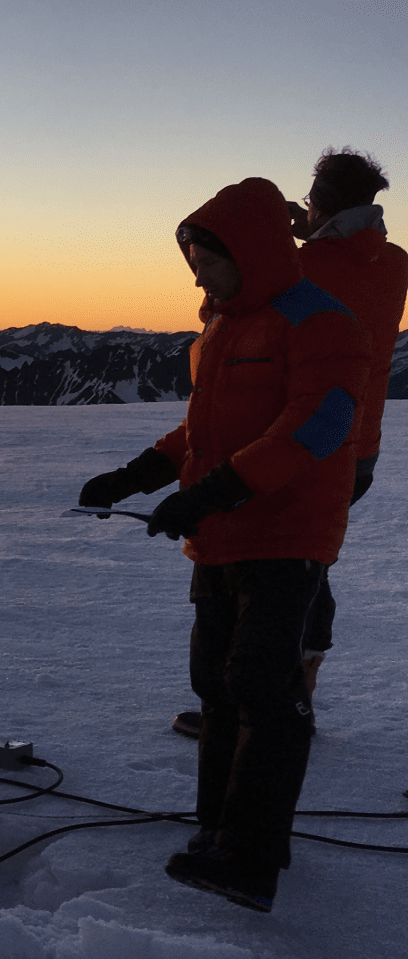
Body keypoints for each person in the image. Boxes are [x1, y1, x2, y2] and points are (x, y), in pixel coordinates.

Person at [78, 178, 370, 912]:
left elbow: (319, 427)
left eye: (206, 258)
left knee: (264, 690)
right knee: (216, 681)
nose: (196, 274)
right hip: (221, 538)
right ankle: (220, 829)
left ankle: (251, 855)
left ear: (251, 252)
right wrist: (137, 474)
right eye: (192, 259)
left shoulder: (319, 323)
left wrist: (216, 490)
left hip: (285, 533)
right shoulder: (221, 328)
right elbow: (201, 432)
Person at [172, 150, 407, 739]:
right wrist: (310, 232)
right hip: (360, 444)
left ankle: (263, 708)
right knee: (310, 561)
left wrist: (280, 237)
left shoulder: (306, 268)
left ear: (318, 200)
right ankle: (296, 693)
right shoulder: (395, 263)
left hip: (281, 438)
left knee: (270, 568)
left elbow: (225, 310)